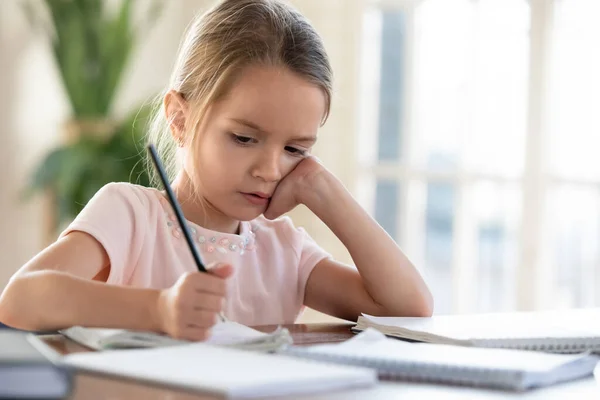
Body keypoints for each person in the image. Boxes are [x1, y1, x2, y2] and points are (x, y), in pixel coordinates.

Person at [0, 0, 432, 340]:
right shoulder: (130, 215)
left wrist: (324, 191)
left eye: (295, 148)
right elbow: (19, 300)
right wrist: (160, 310)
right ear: (180, 119)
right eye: (244, 138)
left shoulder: (284, 251)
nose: (269, 168)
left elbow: (409, 308)